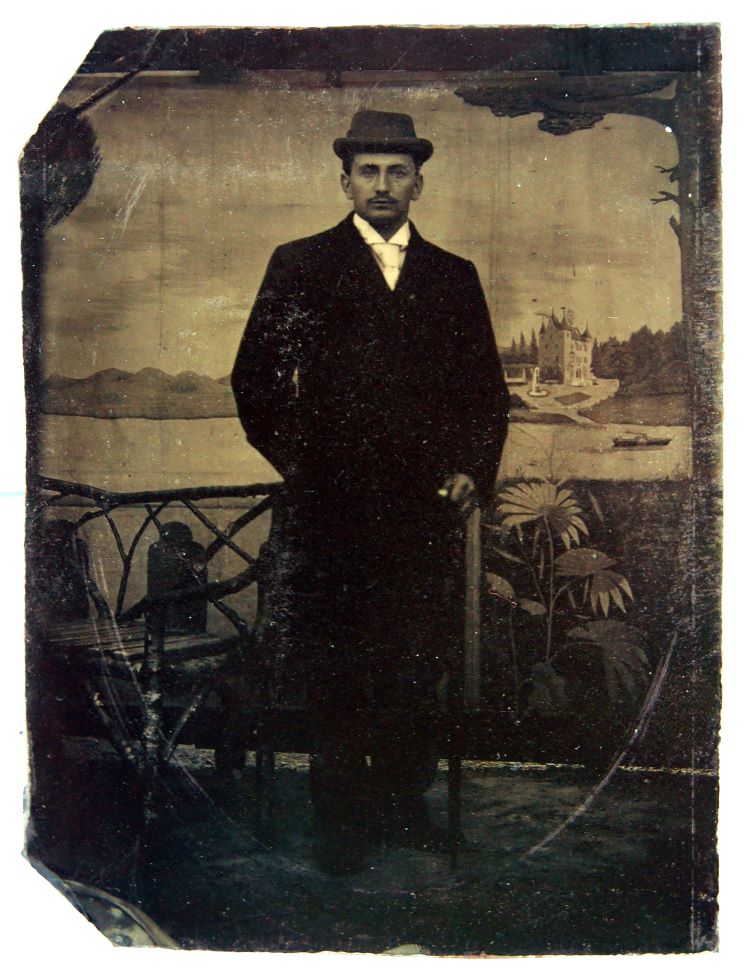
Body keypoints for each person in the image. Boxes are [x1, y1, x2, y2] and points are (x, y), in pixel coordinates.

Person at [232, 109, 510, 874]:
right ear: (344, 179)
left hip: (424, 508)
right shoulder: (301, 264)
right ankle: (341, 821)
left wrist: (470, 468)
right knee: (340, 660)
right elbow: (253, 379)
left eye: (396, 172)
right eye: (368, 171)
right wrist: (304, 464)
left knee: (413, 658)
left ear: (418, 182)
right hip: (333, 508)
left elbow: (486, 393)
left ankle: (404, 806)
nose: (382, 185)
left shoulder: (453, 276)